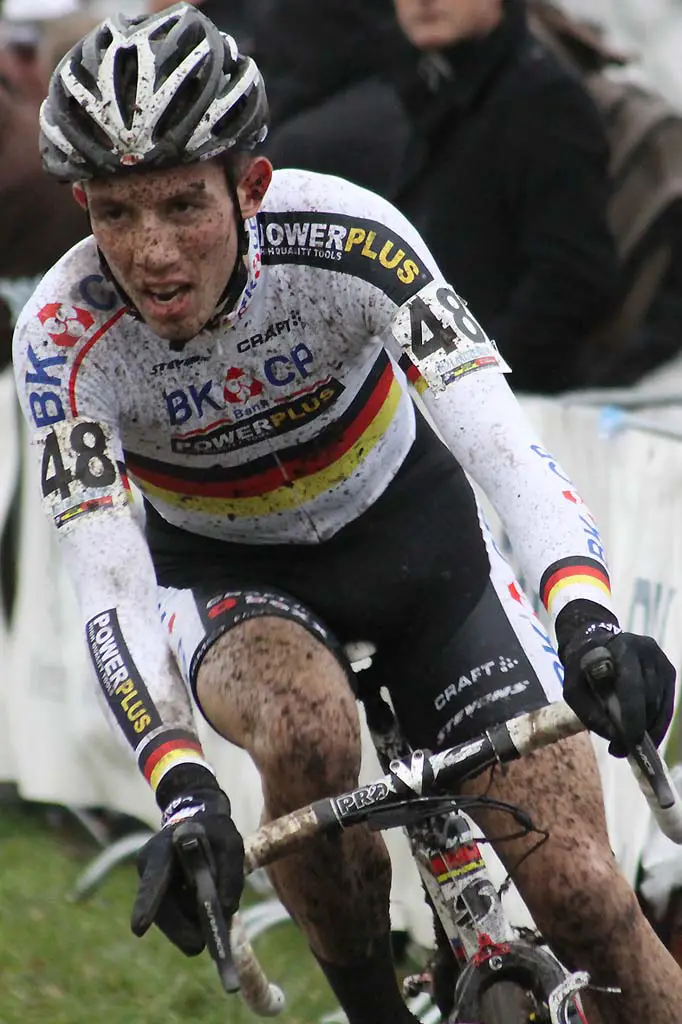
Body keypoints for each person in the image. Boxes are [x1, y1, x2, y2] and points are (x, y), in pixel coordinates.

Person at [11, 5, 681, 1023]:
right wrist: (183, 785)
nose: (150, 254)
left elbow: (502, 449)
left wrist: (585, 618)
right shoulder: (62, 334)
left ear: (252, 186)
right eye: (114, 211)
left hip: (419, 550)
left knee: (585, 892)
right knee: (307, 732)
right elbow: (109, 581)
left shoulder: (353, 241)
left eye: (184, 205)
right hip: (231, 581)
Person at [388, 0, 621, 394]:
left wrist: (479, 386)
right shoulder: (431, 86)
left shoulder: (543, 99)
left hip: (516, 412)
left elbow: (572, 277)